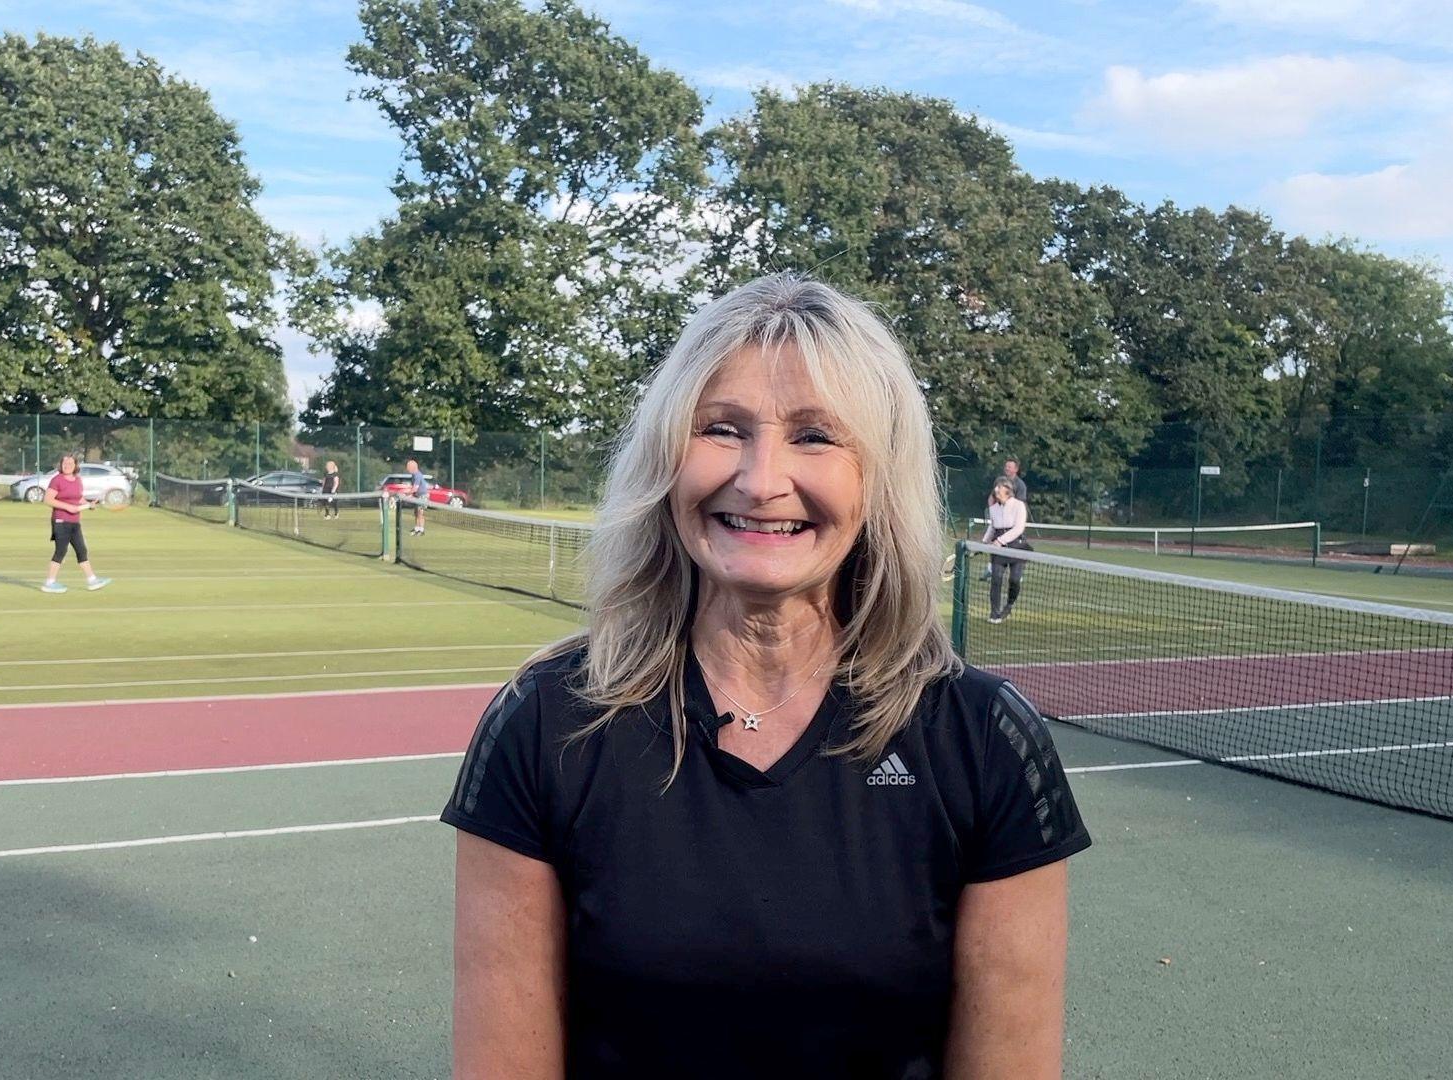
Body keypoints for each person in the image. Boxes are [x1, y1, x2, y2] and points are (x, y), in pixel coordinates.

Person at [444, 274, 1089, 1079]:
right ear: (666, 460)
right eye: (721, 429)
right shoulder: (546, 723)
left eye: (815, 437)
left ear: (877, 479)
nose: (759, 479)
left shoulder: (983, 740)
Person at [39, 454, 111, 594]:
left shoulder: (77, 480)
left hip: (74, 522)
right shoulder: (57, 480)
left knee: (81, 550)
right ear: (61, 465)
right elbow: (48, 499)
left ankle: (92, 580)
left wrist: (88, 504)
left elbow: (79, 498)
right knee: (61, 551)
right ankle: (49, 582)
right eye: (65, 463)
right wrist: (67, 507)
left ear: (75, 465)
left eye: (70, 463)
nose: (67, 465)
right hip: (60, 521)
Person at [981, 480, 1030, 622]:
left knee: (1015, 579)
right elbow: (993, 527)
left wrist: (1000, 541)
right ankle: (994, 613)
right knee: (996, 579)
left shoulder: (1019, 506)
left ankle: (1009, 606)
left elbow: (1018, 529)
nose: (996, 491)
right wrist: (984, 543)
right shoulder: (994, 508)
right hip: (999, 550)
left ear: (1008, 491)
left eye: (999, 489)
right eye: (995, 488)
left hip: (1017, 546)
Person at [405, 457, 429, 535]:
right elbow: (414, 489)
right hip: (417, 496)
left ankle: (421, 530)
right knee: (416, 513)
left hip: (422, 496)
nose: (407, 469)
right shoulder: (413, 476)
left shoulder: (418, 475)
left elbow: (415, 488)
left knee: (420, 513)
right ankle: (417, 528)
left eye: (408, 467)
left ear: (413, 467)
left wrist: (407, 494)